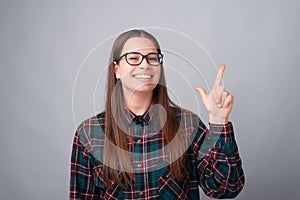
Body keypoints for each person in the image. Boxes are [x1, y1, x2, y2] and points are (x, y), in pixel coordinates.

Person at [70, 29, 245, 199]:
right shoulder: (89, 132)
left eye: (152, 58)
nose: (145, 64)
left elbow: (226, 188)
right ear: (117, 69)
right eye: (133, 58)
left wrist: (219, 121)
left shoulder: (187, 124)